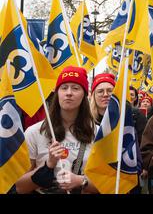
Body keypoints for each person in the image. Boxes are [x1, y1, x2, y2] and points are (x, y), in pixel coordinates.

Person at [16, 66, 98, 194]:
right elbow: (20, 187)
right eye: (64, 87)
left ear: (84, 95)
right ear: (57, 92)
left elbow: (108, 185)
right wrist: (48, 165)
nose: (69, 92)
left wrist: (81, 181)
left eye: (75, 88)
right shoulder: (34, 132)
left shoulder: (97, 133)